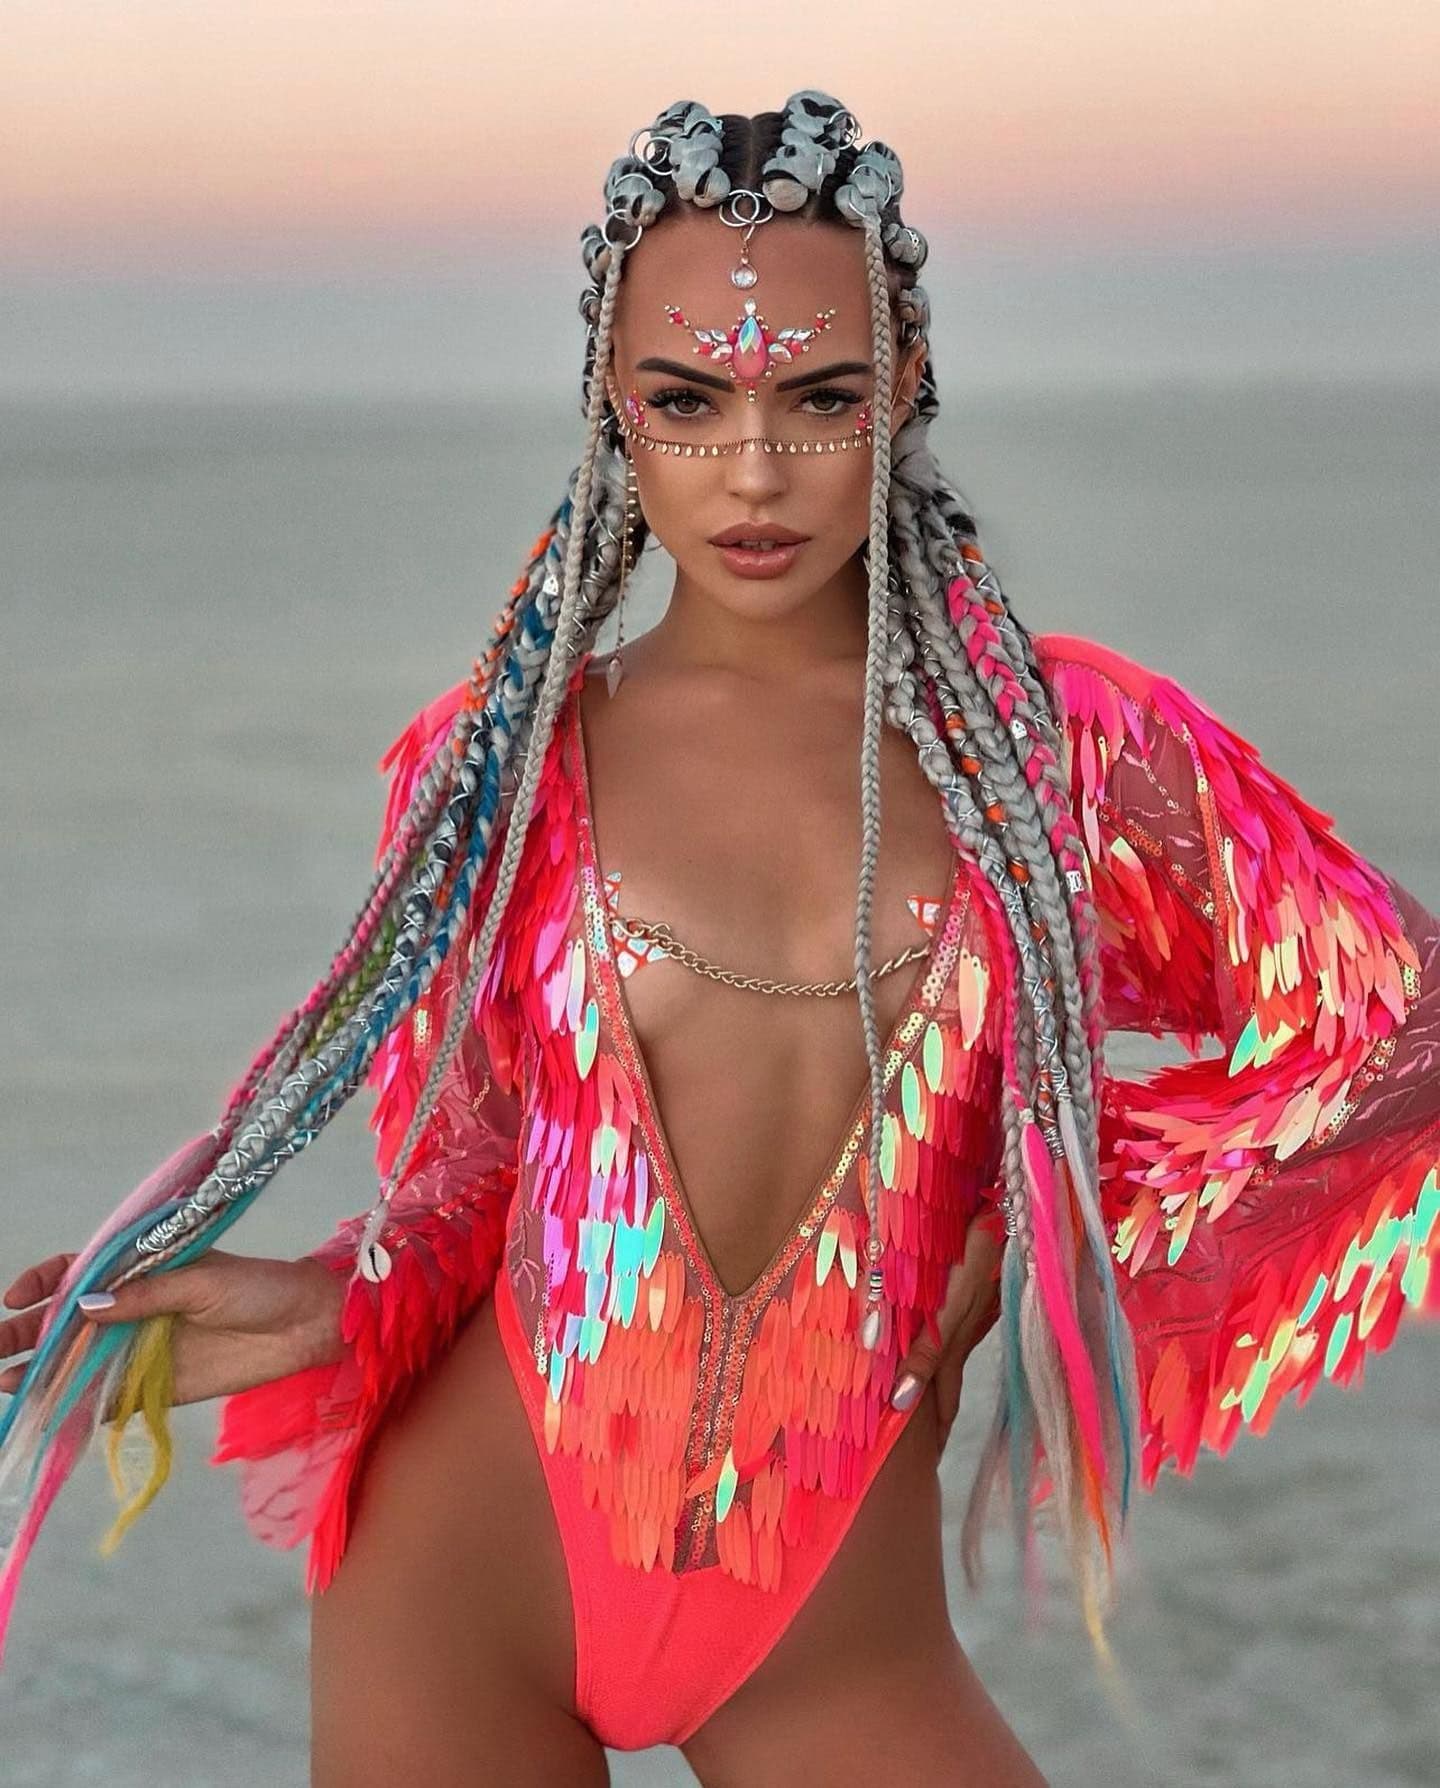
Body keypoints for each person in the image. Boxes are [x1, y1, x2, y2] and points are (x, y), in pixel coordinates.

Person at [2, 91, 1437, 1785]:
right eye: (689, 401)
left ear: (902, 396)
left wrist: (1061, 1223)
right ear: (616, 413)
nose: (754, 470)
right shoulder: (505, 765)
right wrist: (329, 1302)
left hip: (832, 1628)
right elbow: (479, 1179)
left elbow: (1397, 1042)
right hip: (467, 1579)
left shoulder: (1070, 758)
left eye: (818, 397)